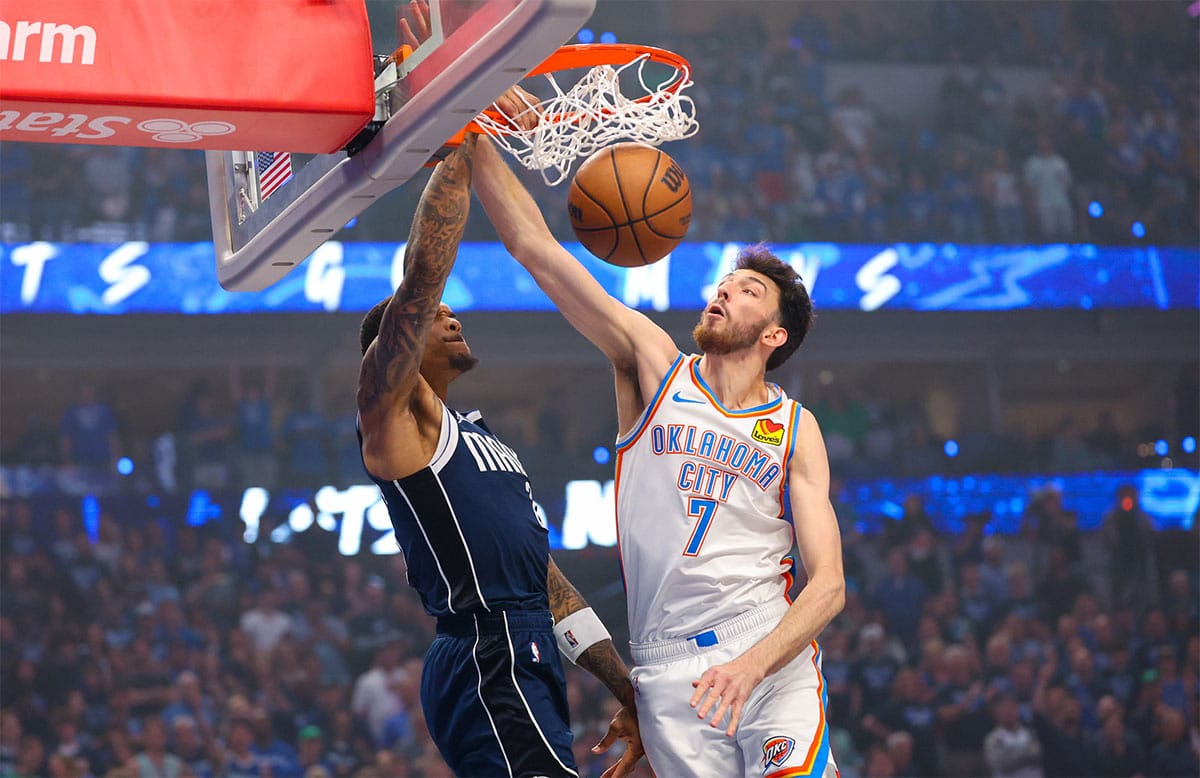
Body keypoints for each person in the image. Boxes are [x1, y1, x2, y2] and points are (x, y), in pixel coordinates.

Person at [473, 135, 845, 777]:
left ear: (774, 335)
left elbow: (830, 585)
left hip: (765, 646)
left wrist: (753, 664)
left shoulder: (793, 427)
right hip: (666, 672)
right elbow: (537, 252)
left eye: (748, 290)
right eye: (724, 285)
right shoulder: (656, 367)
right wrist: (469, 137)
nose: (724, 294)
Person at [355, 128, 643, 777]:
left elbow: (549, 586)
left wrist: (626, 691)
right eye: (436, 316)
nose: (453, 319)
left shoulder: (484, 441)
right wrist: (460, 136)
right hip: (487, 649)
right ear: (394, 349)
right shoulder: (394, 415)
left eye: (454, 313)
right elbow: (424, 274)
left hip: (523, 644)